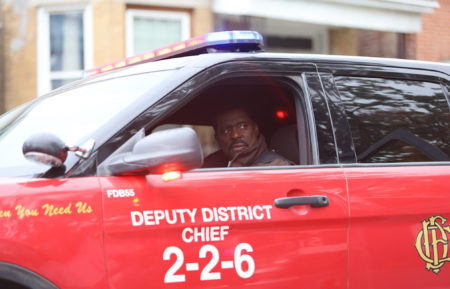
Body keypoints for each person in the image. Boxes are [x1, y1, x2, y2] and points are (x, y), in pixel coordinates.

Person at [203, 106, 293, 167]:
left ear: (256, 129)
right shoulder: (210, 166)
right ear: (217, 138)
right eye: (227, 130)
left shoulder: (277, 167)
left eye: (243, 126)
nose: (235, 135)